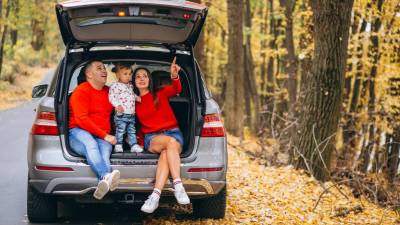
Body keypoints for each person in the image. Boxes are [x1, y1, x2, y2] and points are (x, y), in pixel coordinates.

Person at [133, 57, 190, 213]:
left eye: (144, 75)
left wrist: (174, 75)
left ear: (150, 79)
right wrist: (133, 141)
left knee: (167, 151)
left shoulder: (161, 93)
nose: (141, 79)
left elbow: (176, 89)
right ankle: (178, 185)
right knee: (169, 144)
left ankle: (155, 196)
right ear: (134, 82)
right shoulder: (132, 102)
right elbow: (128, 123)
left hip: (174, 134)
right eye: (138, 76)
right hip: (152, 138)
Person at [69, 60, 120, 200]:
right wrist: (105, 136)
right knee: (90, 144)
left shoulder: (109, 92)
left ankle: (102, 185)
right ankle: (105, 175)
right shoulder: (81, 91)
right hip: (78, 132)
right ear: (89, 74)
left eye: (104, 68)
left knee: (104, 154)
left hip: (102, 134)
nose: (104, 71)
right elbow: (82, 120)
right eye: (99, 68)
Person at [109, 63, 143, 153]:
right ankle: (118, 144)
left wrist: (137, 98)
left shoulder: (130, 86)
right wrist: (117, 105)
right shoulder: (115, 86)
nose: (128, 76)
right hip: (121, 114)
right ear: (118, 75)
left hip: (131, 114)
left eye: (130, 74)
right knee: (120, 130)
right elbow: (112, 97)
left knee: (131, 130)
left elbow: (131, 95)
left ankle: (133, 145)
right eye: (125, 74)